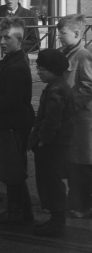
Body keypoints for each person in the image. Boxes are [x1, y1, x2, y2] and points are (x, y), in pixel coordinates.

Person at [0, 18, 35, 224]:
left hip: (12, 122)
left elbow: (12, 99)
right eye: (0, 37)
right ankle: (23, 211)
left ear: (19, 40)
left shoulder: (15, 66)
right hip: (14, 122)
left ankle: (15, 212)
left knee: (12, 168)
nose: (2, 42)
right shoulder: (12, 60)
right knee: (15, 167)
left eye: (7, 38)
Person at [30, 49, 75, 238]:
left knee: (53, 182)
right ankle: (54, 220)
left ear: (53, 69)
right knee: (50, 181)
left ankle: (57, 223)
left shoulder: (57, 89)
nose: (38, 72)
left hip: (53, 144)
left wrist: (43, 140)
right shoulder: (57, 85)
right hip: (56, 142)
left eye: (42, 69)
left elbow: (52, 119)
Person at [57, 14, 92, 218]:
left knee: (82, 164)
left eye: (63, 33)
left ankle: (84, 206)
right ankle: (74, 202)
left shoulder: (83, 55)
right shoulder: (65, 53)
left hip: (80, 119)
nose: (59, 37)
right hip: (69, 119)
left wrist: (71, 106)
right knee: (71, 163)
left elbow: (88, 86)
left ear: (77, 33)